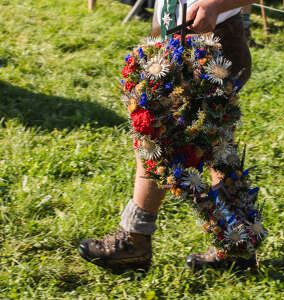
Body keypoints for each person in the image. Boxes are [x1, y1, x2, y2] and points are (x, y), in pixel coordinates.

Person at [78, 0, 260, 272]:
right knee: (217, 148)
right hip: (176, 36)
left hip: (215, 39)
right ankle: (237, 245)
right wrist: (157, 36)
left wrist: (214, 5)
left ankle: (135, 239)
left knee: (156, 135)